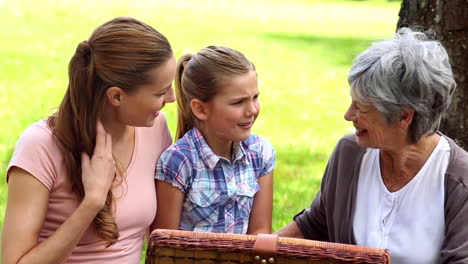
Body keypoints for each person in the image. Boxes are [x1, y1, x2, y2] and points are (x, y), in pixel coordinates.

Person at [276, 28, 468, 263]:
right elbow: (314, 225)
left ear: (403, 117)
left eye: (361, 108)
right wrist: (252, 252)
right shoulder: (350, 153)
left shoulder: (459, 180)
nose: (348, 115)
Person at [1, 17, 176, 264]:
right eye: (160, 92)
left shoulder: (155, 128)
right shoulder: (39, 146)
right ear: (116, 96)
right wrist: (91, 203)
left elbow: (164, 236)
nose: (172, 98)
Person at [154, 46, 275, 234]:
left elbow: (260, 232)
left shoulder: (261, 153)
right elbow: (164, 245)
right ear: (201, 109)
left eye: (255, 97)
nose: (252, 110)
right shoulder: (178, 161)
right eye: (238, 102)